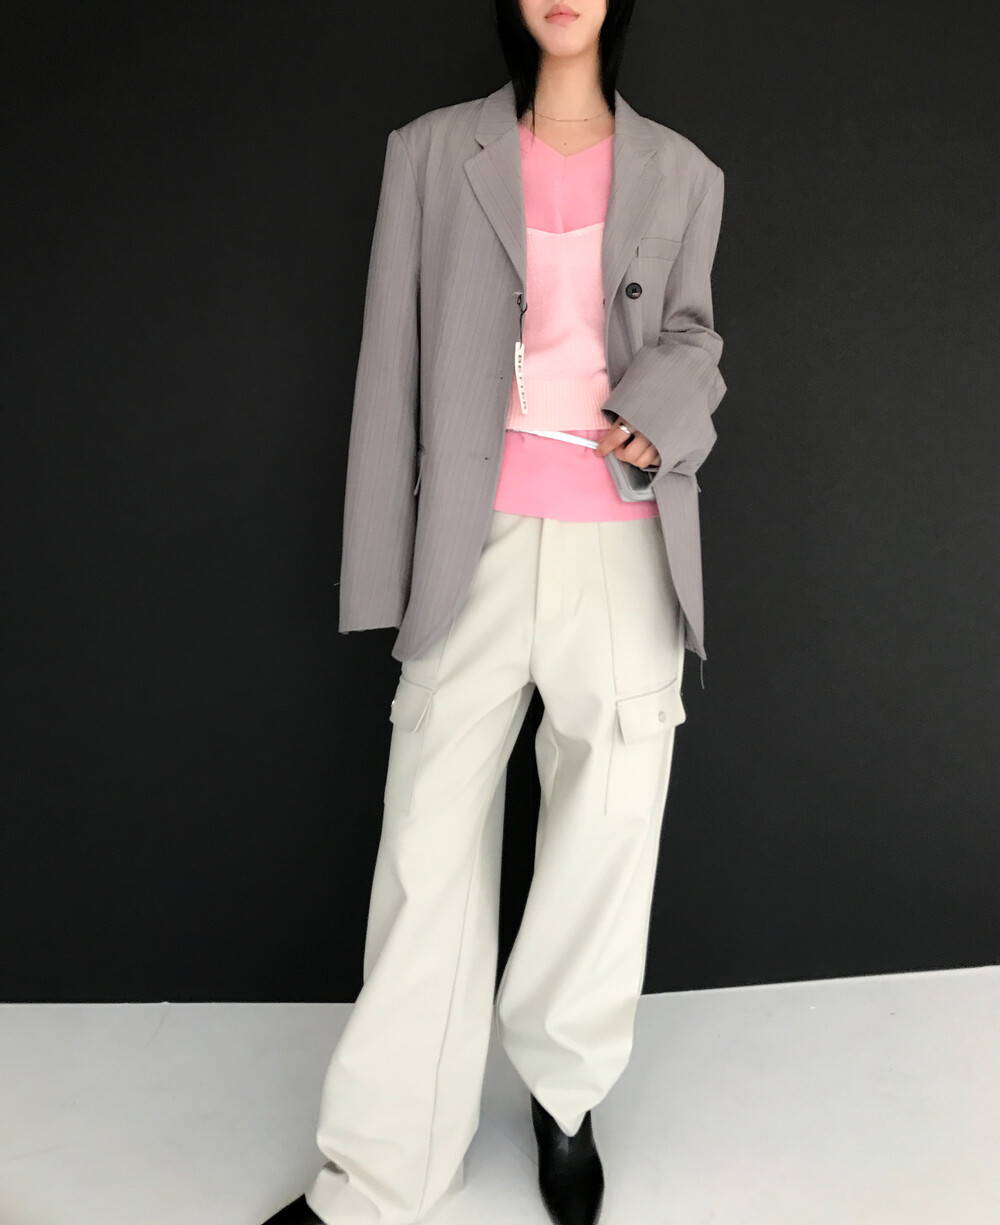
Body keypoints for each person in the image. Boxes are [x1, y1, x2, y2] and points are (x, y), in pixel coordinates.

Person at [264, 0, 726, 1221]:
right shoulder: (430, 151)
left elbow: (694, 337)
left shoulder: (684, 172)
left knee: (606, 832)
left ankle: (564, 1096)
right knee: (425, 843)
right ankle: (380, 1165)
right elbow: (389, 360)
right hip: (469, 544)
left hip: (623, 544)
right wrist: (381, 566)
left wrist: (661, 413)